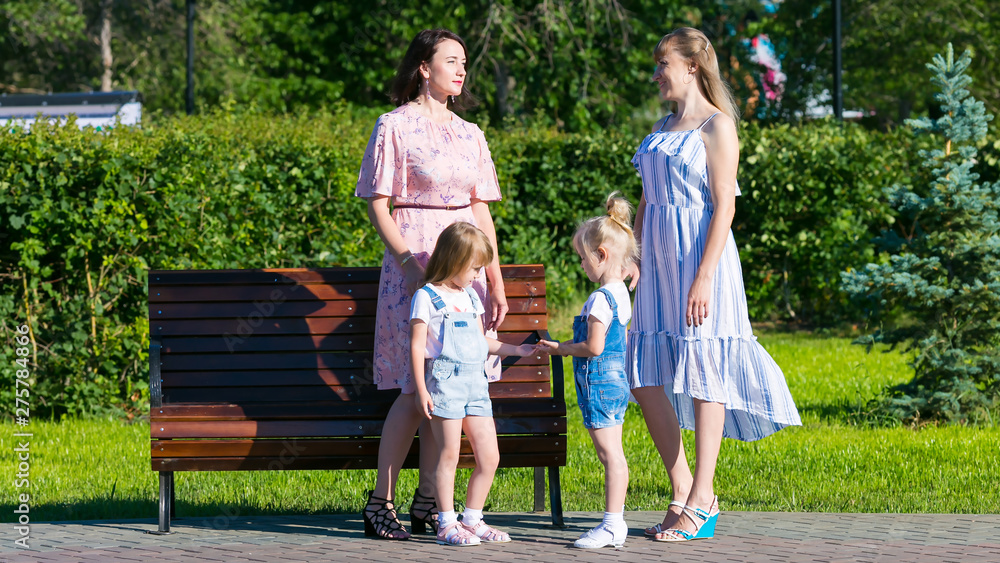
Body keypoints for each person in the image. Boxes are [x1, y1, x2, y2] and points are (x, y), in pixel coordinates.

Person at [625, 27, 801, 542]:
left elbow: (724, 204)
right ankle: (681, 485)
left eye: (663, 64)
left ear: (692, 67)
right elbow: (645, 198)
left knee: (704, 372)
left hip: (702, 261)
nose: (657, 74)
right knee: (643, 371)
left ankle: (702, 497)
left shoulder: (718, 126)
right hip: (656, 264)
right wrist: (632, 258)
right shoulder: (662, 125)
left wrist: (704, 275)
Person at [355, 29, 508, 540]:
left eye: (464, 62)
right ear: (425, 67)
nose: (461, 70)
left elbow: (480, 206)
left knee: (457, 383)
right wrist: (406, 264)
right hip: (415, 259)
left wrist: (496, 277)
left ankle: (428, 502)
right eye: (451, 61)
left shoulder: (471, 132)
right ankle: (382, 501)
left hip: (467, 267)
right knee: (412, 383)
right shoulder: (393, 126)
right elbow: (379, 202)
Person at [410, 221, 535, 547]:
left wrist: (516, 349)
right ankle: (446, 523)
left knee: (489, 456)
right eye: (474, 268)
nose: (478, 275)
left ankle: (472, 519)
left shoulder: (469, 297)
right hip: (446, 386)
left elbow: (482, 342)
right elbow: (415, 346)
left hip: (476, 387)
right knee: (449, 453)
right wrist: (421, 390)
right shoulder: (427, 297)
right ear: (453, 260)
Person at [538, 193, 639, 550]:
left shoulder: (599, 298)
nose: (581, 265)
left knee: (610, 454)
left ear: (602, 255)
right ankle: (615, 522)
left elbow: (594, 347)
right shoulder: (620, 292)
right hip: (615, 383)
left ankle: (613, 525)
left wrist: (562, 348)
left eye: (583, 258)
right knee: (613, 452)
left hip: (598, 382)